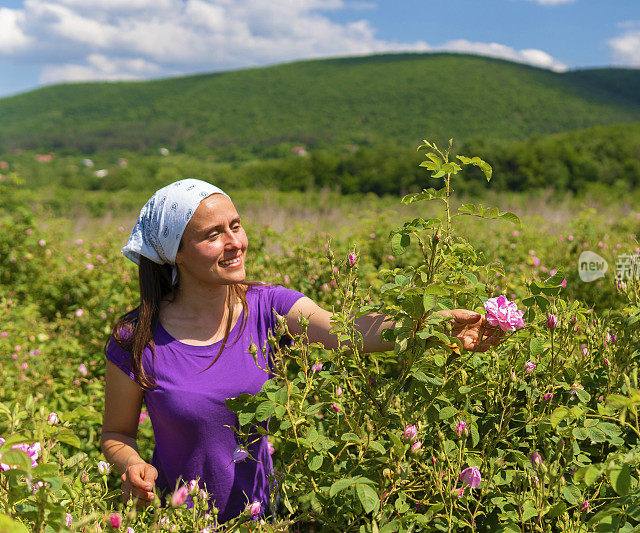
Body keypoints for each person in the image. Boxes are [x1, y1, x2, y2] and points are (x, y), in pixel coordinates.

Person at [101, 178, 501, 523]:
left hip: (261, 518)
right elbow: (117, 433)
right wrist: (133, 464)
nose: (234, 243)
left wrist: (431, 324)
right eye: (212, 235)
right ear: (176, 254)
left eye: (235, 226)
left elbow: (349, 332)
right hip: (179, 520)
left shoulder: (269, 307)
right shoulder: (137, 339)